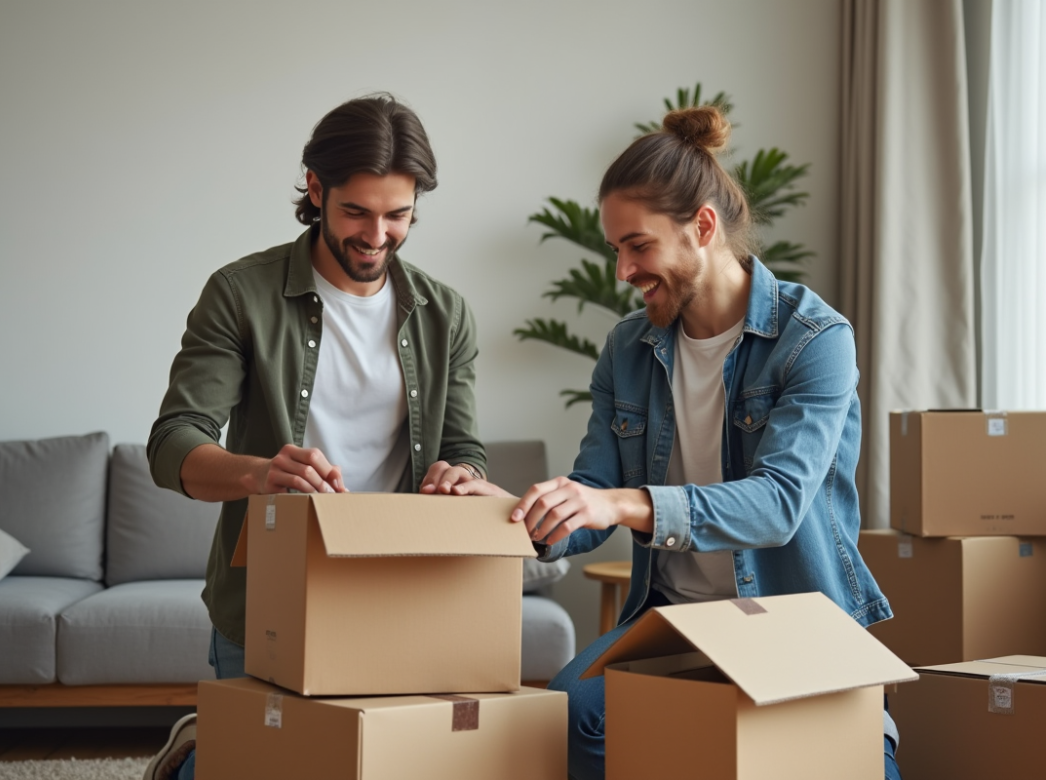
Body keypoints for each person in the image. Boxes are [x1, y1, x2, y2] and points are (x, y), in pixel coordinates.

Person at [456, 106, 902, 779]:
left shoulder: (814, 339)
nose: (623, 270)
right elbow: (594, 492)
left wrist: (625, 504)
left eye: (638, 246)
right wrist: (517, 511)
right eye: (616, 250)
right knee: (571, 715)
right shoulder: (627, 350)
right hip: (679, 624)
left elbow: (778, 504)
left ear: (703, 227)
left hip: (794, 620)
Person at [142, 94, 486, 780]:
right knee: (265, 767)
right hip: (270, 593)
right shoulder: (239, 294)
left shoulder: (445, 314)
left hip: (401, 591)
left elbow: (465, 450)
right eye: (357, 211)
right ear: (316, 189)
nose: (377, 235)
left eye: (397, 215)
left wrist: (464, 476)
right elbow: (174, 441)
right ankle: (197, 757)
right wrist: (258, 474)